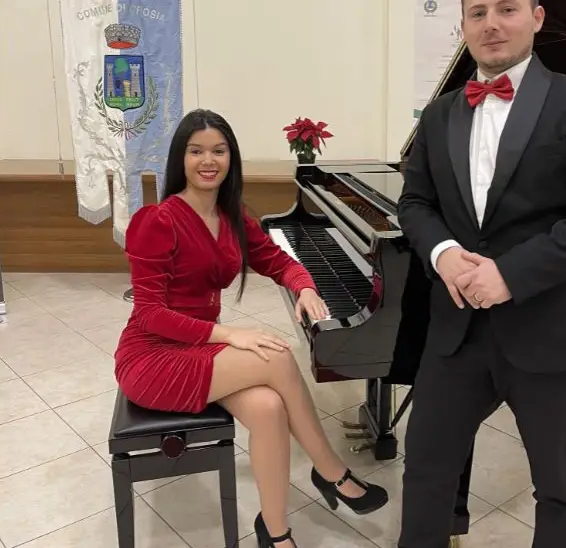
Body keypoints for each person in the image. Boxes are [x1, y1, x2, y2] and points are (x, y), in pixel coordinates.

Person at [396, 1, 566, 547]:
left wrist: (510, 274)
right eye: (477, 12)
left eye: (507, 8)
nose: (491, 23)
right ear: (463, 26)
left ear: (538, 17)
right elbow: (415, 204)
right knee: (426, 473)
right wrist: (444, 253)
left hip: (554, 327)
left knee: (560, 487)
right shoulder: (438, 114)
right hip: (457, 332)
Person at [114, 109, 389, 548]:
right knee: (276, 354)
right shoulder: (158, 220)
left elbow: (276, 260)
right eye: (197, 151)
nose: (209, 160)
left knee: (268, 408)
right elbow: (149, 315)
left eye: (219, 151)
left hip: (198, 349)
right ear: (180, 159)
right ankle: (331, 471)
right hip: (153, 357)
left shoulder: (232, 217)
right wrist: (229, 334)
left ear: (231, 158)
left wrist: (302, 286)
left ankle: (275, 532)